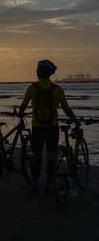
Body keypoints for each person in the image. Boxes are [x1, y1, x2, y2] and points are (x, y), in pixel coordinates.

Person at [19, 59, 79, 193]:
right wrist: (75, 120)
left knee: (36, 155)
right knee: (51, 156)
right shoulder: (57, 89)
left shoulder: (32, 88)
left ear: (41, 72)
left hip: (37, 127)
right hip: (52, 127)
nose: (36, 71)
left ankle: (35, 182)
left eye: (38, 69)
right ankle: (49, 184)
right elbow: (66, 109)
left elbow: (23, 106)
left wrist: (21, 114)